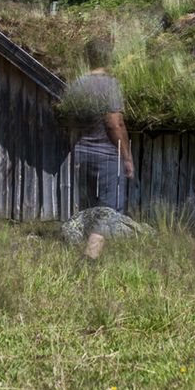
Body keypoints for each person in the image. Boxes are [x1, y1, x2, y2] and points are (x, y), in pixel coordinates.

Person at [66, 36, 134, 259]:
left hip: (81, 154)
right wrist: (127, 157)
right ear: (109, 57)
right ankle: (90, 258)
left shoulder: (76, 85)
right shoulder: (110, 84)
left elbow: (71, 122)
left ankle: (81, 252)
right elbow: (115, 123)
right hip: (106, 155)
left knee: (88, 208)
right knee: (108, 209)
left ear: (88, 57)